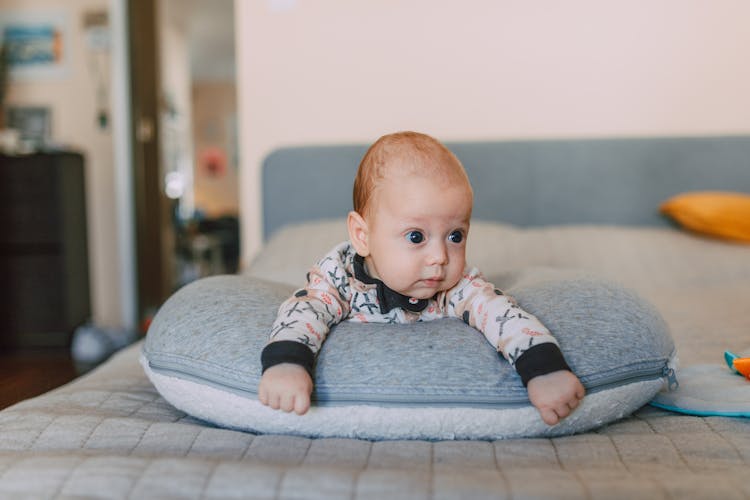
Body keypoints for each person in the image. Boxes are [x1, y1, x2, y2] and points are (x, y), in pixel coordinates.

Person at [258, 131, 585, 425]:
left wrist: (543, 368)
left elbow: (501, 314)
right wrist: (287, 362)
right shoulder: (337, 279)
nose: (440, 257)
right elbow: (305, 312)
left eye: (455, 236)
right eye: (416, 236)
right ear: (362, 235)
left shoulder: (458, 286)